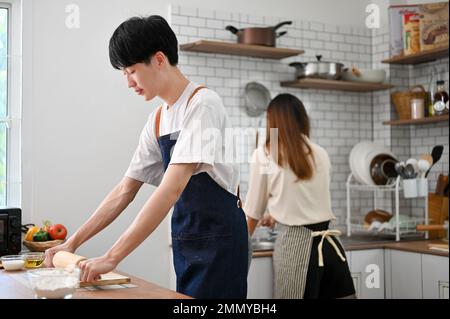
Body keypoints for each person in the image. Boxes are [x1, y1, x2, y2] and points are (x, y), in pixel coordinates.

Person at [44, 15, 248, 299]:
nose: (128, 82)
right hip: (187, 238)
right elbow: (125, 191)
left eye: (131, 70)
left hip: (220, 241)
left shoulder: (202, 105)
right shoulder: (157, 119)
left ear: (159, 59)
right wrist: (72, 243)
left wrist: (113, 256)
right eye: (123, 73)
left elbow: (171, 188)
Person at [244, 93, 355, 299]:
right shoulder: (320, 152)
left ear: (272, 120)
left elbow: (253, 212)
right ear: (302, 119)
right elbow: (308, 199)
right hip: (330, 249)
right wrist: (276, 214)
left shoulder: (265, 154)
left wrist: (239, 246)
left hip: (296, 249)